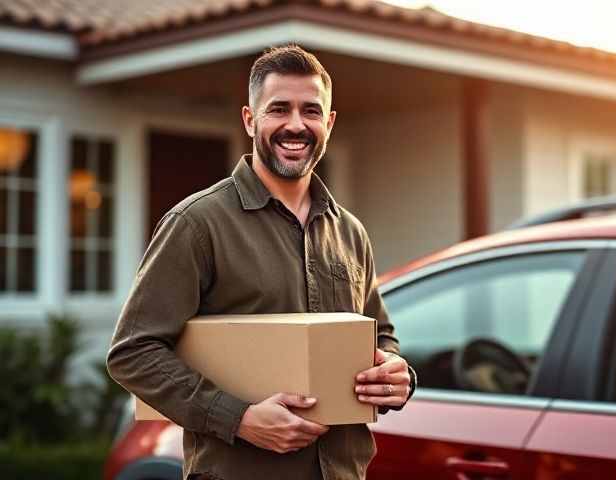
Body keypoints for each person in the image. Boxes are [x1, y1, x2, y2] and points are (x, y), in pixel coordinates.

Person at [106, 45, 415, 480]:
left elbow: (379, 334)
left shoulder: (350, 232)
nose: (295, 125)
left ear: (328, 123)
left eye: (310, 111)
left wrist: (398, 375)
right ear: (250, 119)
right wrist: (239, 418)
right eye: (279, 109)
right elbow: (133, 353)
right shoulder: (197, 224)